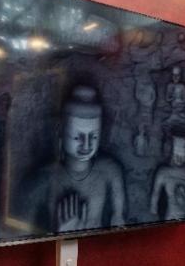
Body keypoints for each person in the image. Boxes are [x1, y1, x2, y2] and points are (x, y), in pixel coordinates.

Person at [25, 85, 126, 232]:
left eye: (93, 136)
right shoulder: (44, 179)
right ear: (60, 131)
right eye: (78, 137)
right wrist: (62, 234)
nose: (86, 145)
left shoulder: (110, 171)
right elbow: (22, 232)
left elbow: (119, 224)